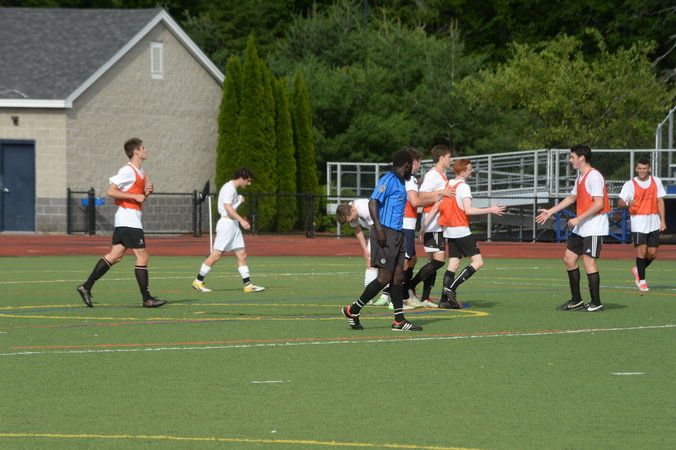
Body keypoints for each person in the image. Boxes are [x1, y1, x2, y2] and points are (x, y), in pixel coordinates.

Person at [76, 138, 166, 308]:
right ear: (136, 152)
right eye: (143, 148)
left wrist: (146, 194)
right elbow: (111, 191)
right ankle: (147, 298)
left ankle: (85, 287)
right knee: (142, 256)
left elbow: (137, 198)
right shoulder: (128, 170)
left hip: (129, 218)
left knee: (115, 256)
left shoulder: (141, 172)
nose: (146, 150)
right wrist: (135, 196)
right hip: (128, 220)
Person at [341, 149, 423, 331]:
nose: (413, 168)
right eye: (412, 165)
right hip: (385, 233)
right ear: (407, 164)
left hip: (398, 234)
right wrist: (378, 230)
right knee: (384, 277)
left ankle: (399, 321)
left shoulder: (402, 182)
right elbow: (373, 202)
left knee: (398, 277)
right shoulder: (389, 179)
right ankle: (353, 310)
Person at [422, 159, 505, 308]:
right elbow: (468, 210)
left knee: (453, 263)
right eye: (469, 168)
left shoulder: (447, 184)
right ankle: (451, 288)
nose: (471, 170)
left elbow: (436, 206)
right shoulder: (464, 187)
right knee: (478, 262)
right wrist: (490, 210)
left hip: (448, 230)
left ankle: (444, 301)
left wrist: (424, 225)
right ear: (463, 171)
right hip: (461, 229)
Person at [535, 144, 609, 312]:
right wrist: (550, 211)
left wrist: (578, 218)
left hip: (594, 226)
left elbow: (599, 204)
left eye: (572, 157)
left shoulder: (594, 176)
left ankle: (596, 303)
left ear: (582, 158)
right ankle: (576, 300)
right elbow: (571, 197)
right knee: (569, 259)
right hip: (582, 226)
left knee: (589, 262)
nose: (570, 160)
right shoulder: (580, 177)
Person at [191, 167, 266, 293]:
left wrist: (239, 202)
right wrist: (242, 220)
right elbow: (227, 208)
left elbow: (230, 207)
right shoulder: (229, 188)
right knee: (216, 254)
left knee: (242, 254)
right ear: (241, 178)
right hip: (227, 225)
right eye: (248, 180)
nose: (249, 183)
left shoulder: (233, 189)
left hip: (233, 225)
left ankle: (248, 285)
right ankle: (198, 281)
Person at [408, 144, 454, 306]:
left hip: (437, 222)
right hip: (433, 223)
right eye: (449, 157)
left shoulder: (441, 174)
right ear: (441, 158)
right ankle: (410, 285)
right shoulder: (433, 174)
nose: (451, 160)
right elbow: (421, 195)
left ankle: (426, 297)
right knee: (439, 261)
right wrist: (441, 192)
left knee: (431, 262)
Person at [335, 199, 398, 307]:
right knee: (369, 263)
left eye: (351, 219)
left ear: (353, 210)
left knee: (387, 265)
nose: (351, 221)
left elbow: (377, 228)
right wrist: (365, 250)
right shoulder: (349, 210)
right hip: (376, 232)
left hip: (386, 231)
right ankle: (369, 298)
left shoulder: (365, 208)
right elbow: (357, 231)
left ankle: (388, 297)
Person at [618, 157, 667, 292]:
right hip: (638, 221)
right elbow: (620, 203)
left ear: (649, 169)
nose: (642, 171)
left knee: (652, 254)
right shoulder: (630, 184)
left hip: (654, 221)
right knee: (642, 250)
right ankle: (642, 281)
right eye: (639, 168)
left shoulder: (656, 181)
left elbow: (660, 201)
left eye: (644, 168)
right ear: (636, 169)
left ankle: (638, 269)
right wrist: (628, 203)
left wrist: (662, 220)